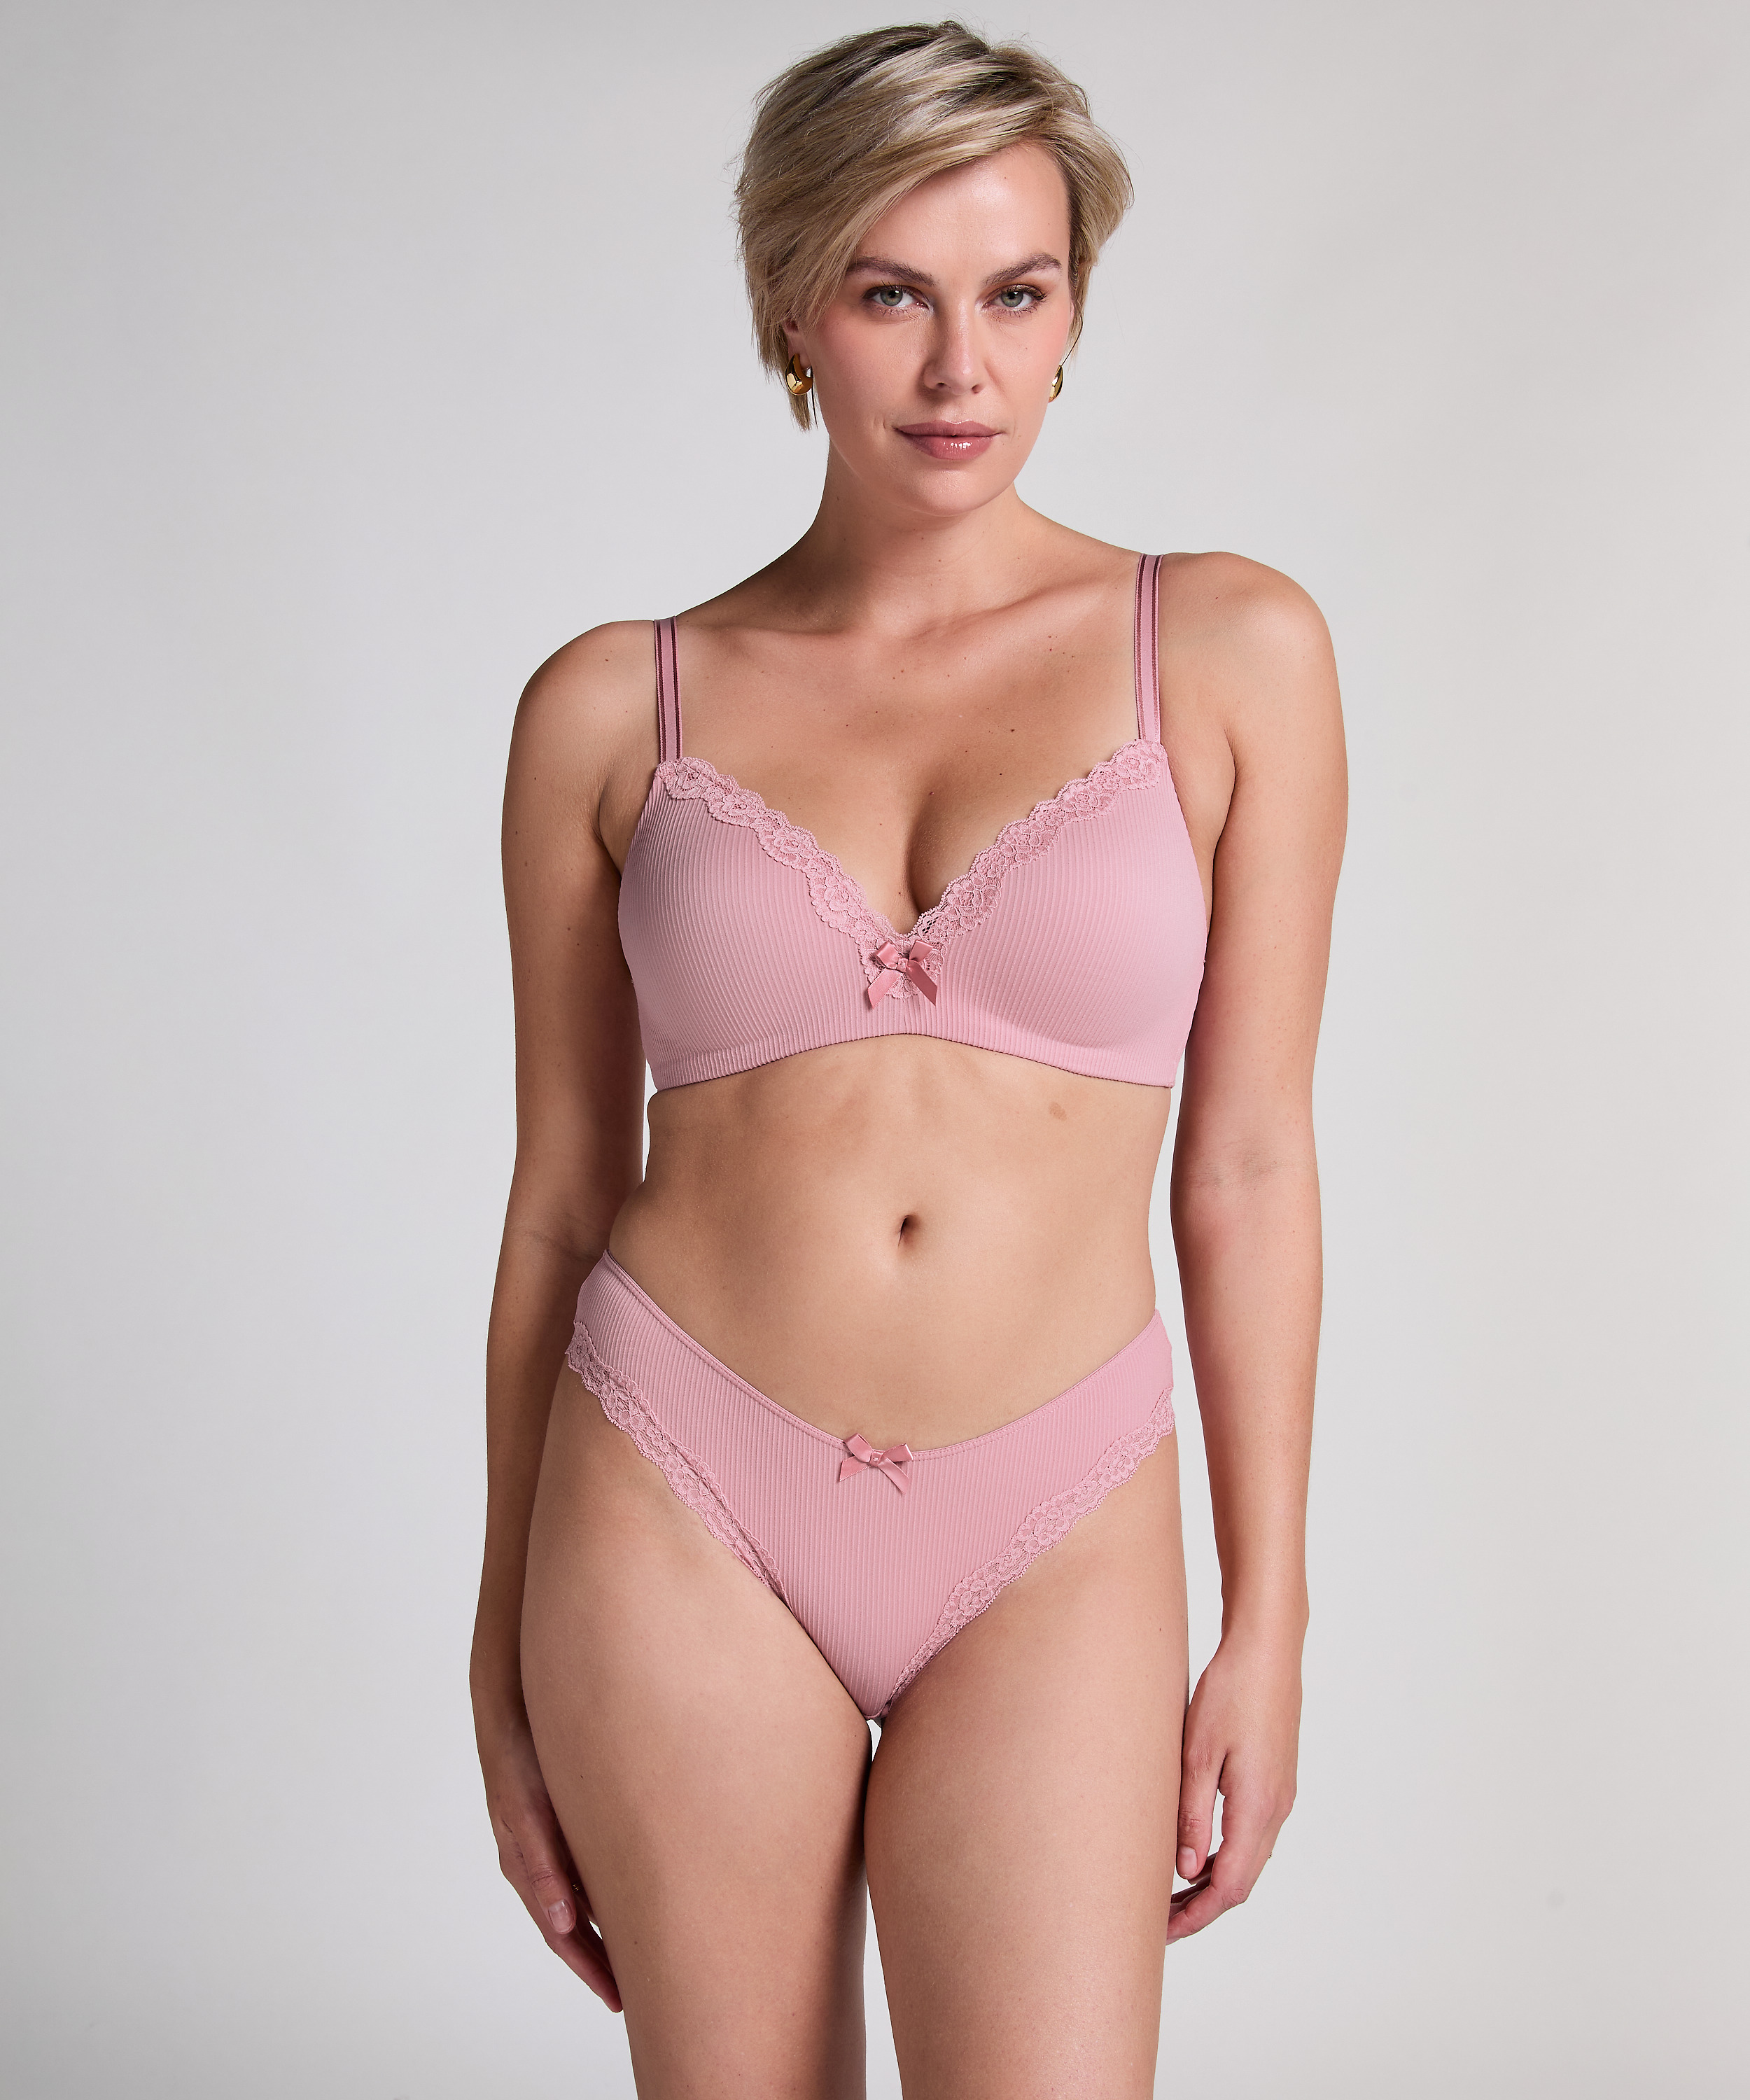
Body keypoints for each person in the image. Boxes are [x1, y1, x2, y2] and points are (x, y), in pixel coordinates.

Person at [470, 20, 1345, 2096]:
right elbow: (560, 1200)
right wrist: (497, 1661)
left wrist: (1271, 1617)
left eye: (1015, 294)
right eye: (892, 295)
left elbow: (1246, 1169)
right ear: (793, 306)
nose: (962, 370)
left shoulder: (1231, 654)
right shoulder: (612, 706)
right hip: (675, 1491)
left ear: (1074, 311)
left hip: (1056, 1512)